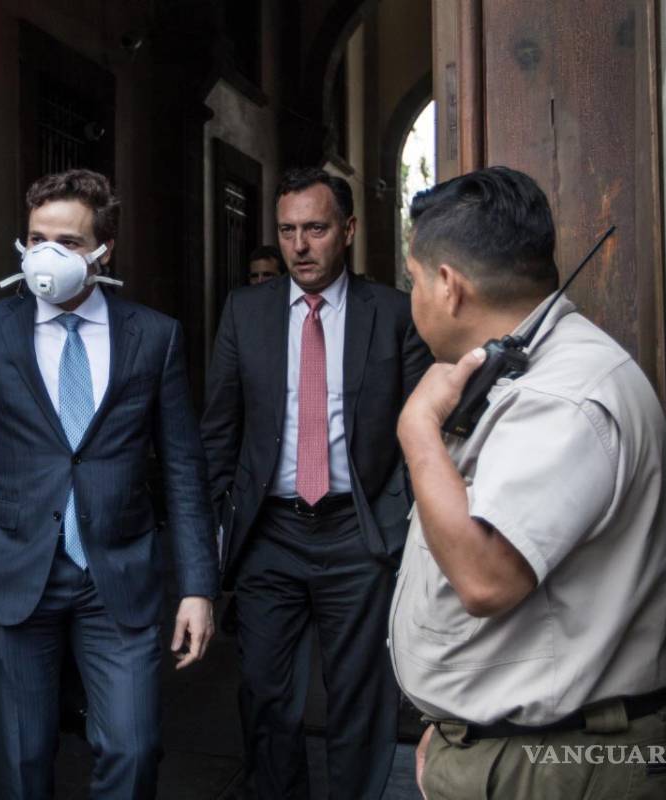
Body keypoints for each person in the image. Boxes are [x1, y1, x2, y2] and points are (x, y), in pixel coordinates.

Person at [0, 168, 219, 800]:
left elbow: (183, 468)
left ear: (103, 251)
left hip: (117, 573)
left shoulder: (155, 335)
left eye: (69, 242)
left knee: (134, 750)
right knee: (23, 760)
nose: (48, 255)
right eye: (37, 238)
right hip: (13, 570)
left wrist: (198, 586)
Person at [391, 166, 666, 799]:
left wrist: (417, 430)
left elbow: (485, 579)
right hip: (513, 749)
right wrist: (459, 726)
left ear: (448, 286)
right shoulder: (530, 370)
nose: (412, 298)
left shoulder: (563, 396)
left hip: (552, 766)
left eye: (413, 280)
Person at [201, 166, 432, 798]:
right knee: (266, 698)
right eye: (287, 231)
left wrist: (401, 523)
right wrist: (212, 538)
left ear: (348, 230)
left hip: (357, 534)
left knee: (360, 700)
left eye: (316, 229)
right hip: (269, 534)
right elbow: (218, 433)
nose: (299, 246)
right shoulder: (246, 312)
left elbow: (422, 431)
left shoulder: (394, 313)